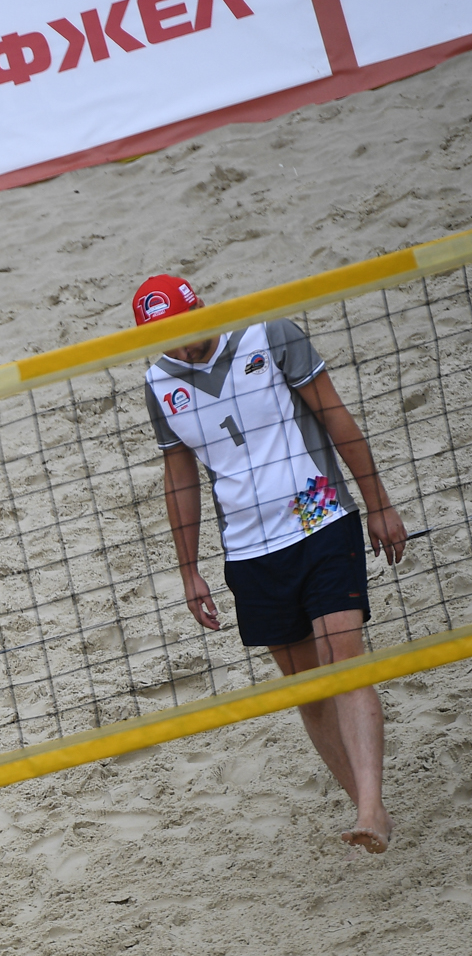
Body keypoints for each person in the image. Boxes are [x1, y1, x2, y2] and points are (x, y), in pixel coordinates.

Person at [136, 274, 407, 853]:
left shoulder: (270, 333)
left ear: (202, 309)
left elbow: (335, 416)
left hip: (320, 518)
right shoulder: (159, 382)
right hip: (250, 550)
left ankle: (370, 806)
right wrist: (189, 568)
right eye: (163, 337)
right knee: (309, 691)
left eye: (183, 327)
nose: (178, 343)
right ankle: (366, 809)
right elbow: (179, 477)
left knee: (343, 660)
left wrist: (379, 504)